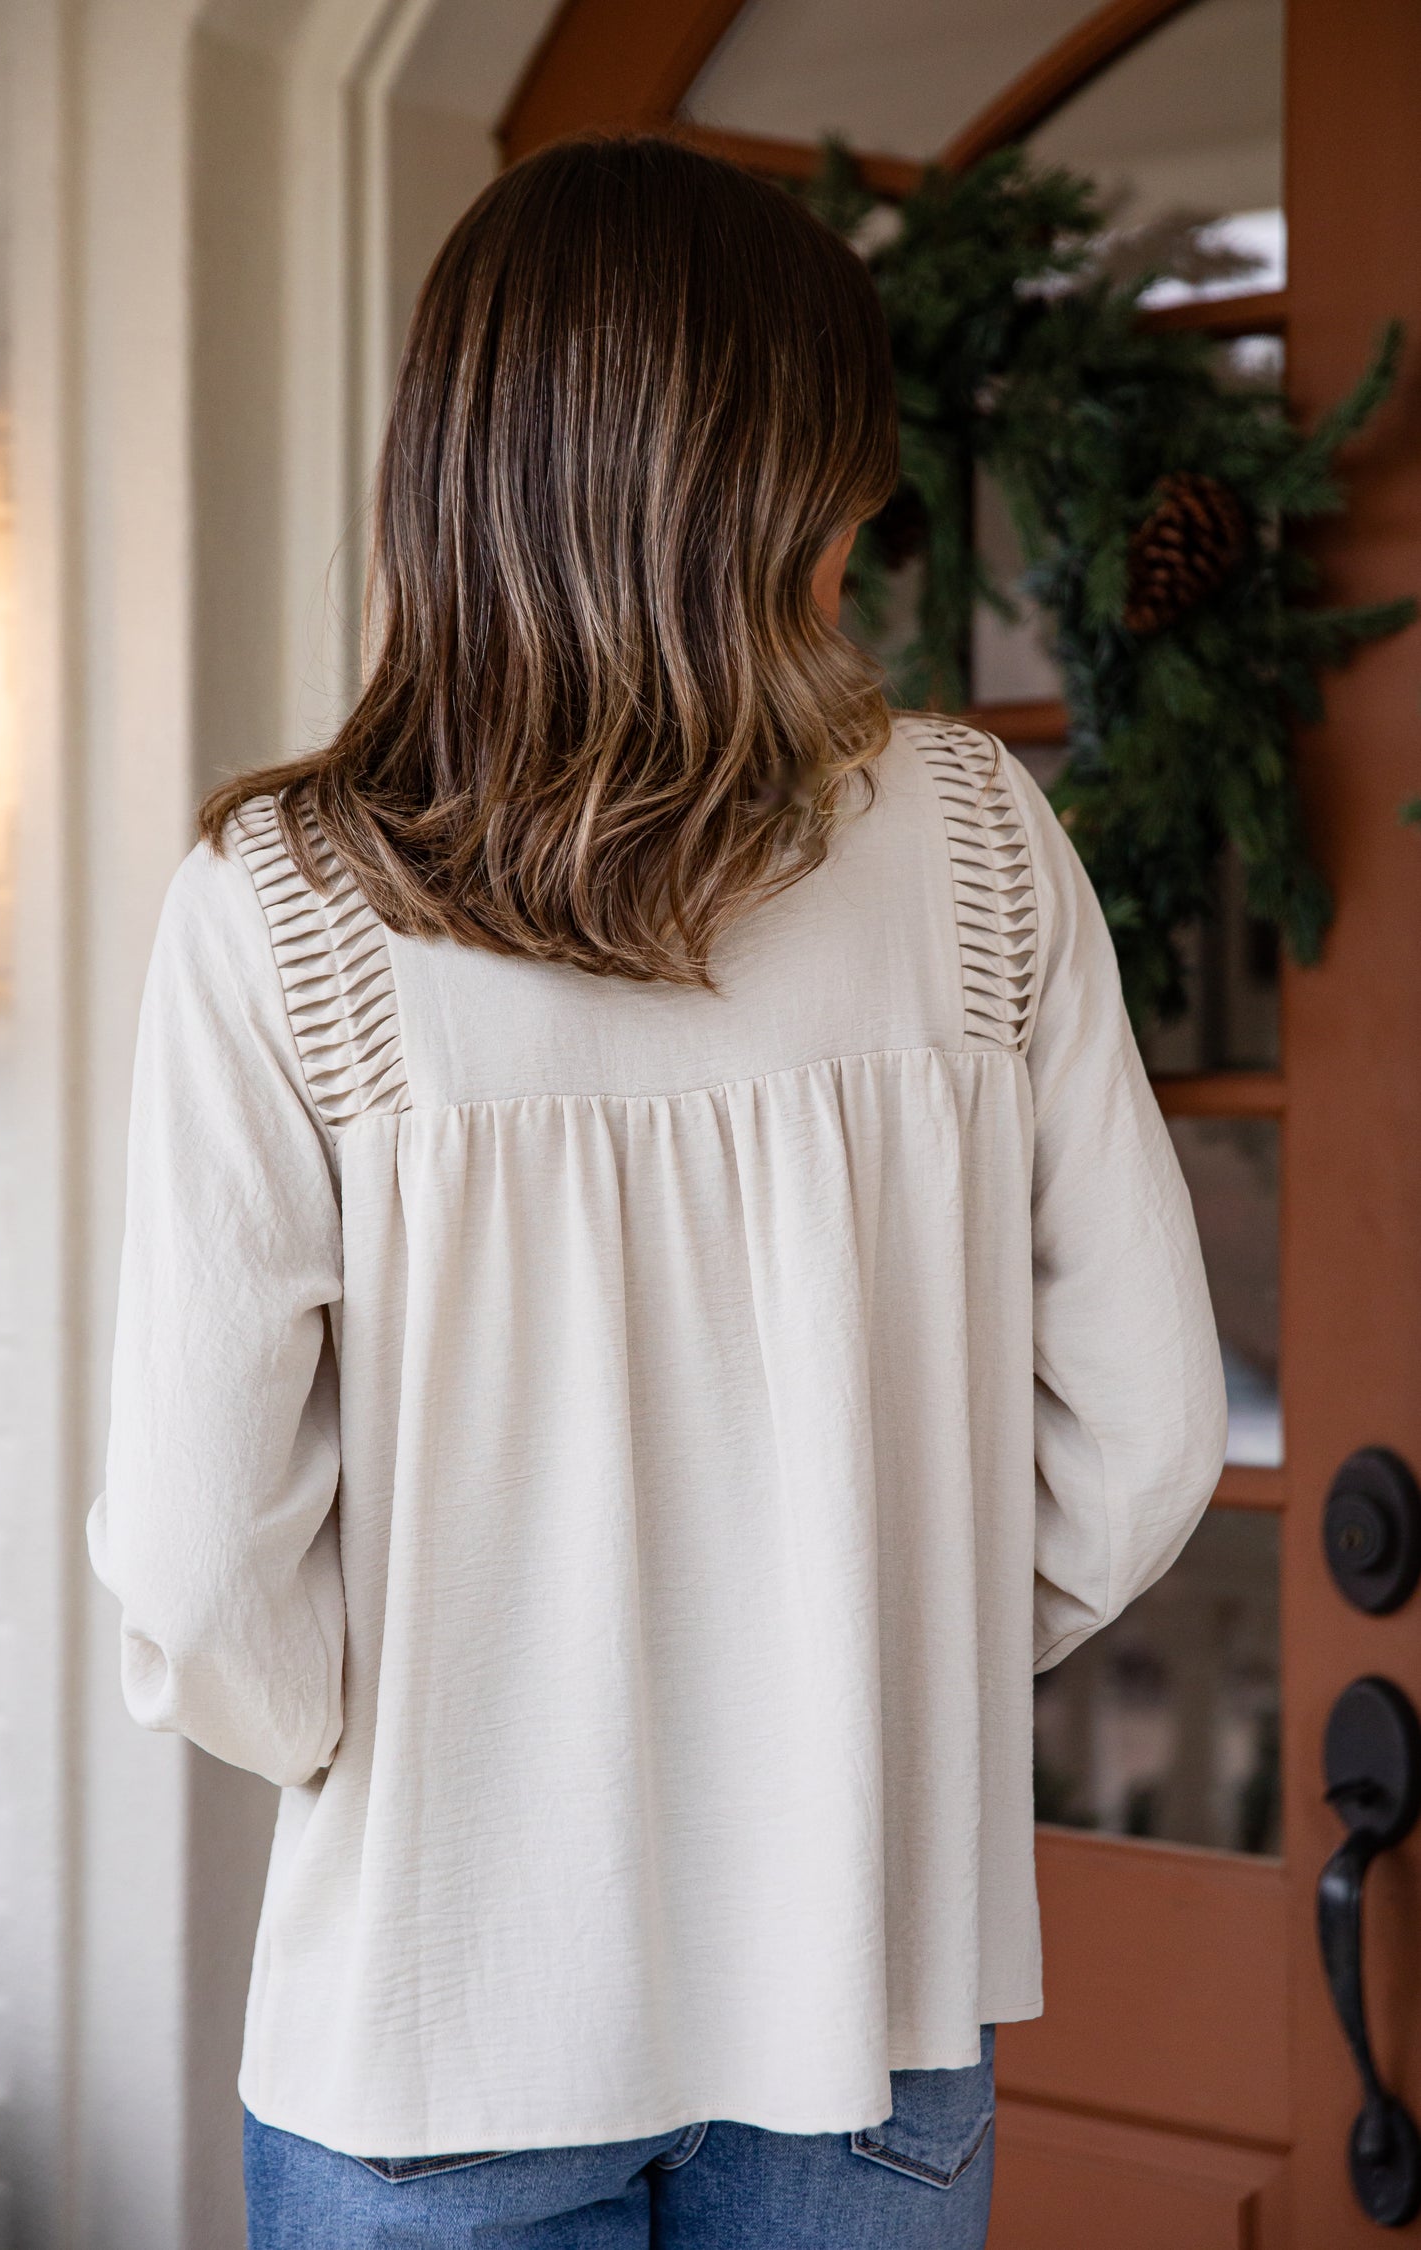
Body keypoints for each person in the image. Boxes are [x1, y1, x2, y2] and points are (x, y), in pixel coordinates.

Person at [88, 134, 1226, 2250]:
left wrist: (410, 1732)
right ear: (761, 484)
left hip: (436, 2015)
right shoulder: (979, 847)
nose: (866, 524)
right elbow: (1150, 1446)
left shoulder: (283, 911)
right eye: (838, 468)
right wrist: (867, 1660)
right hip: (864, 1996)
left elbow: (200, 1559)